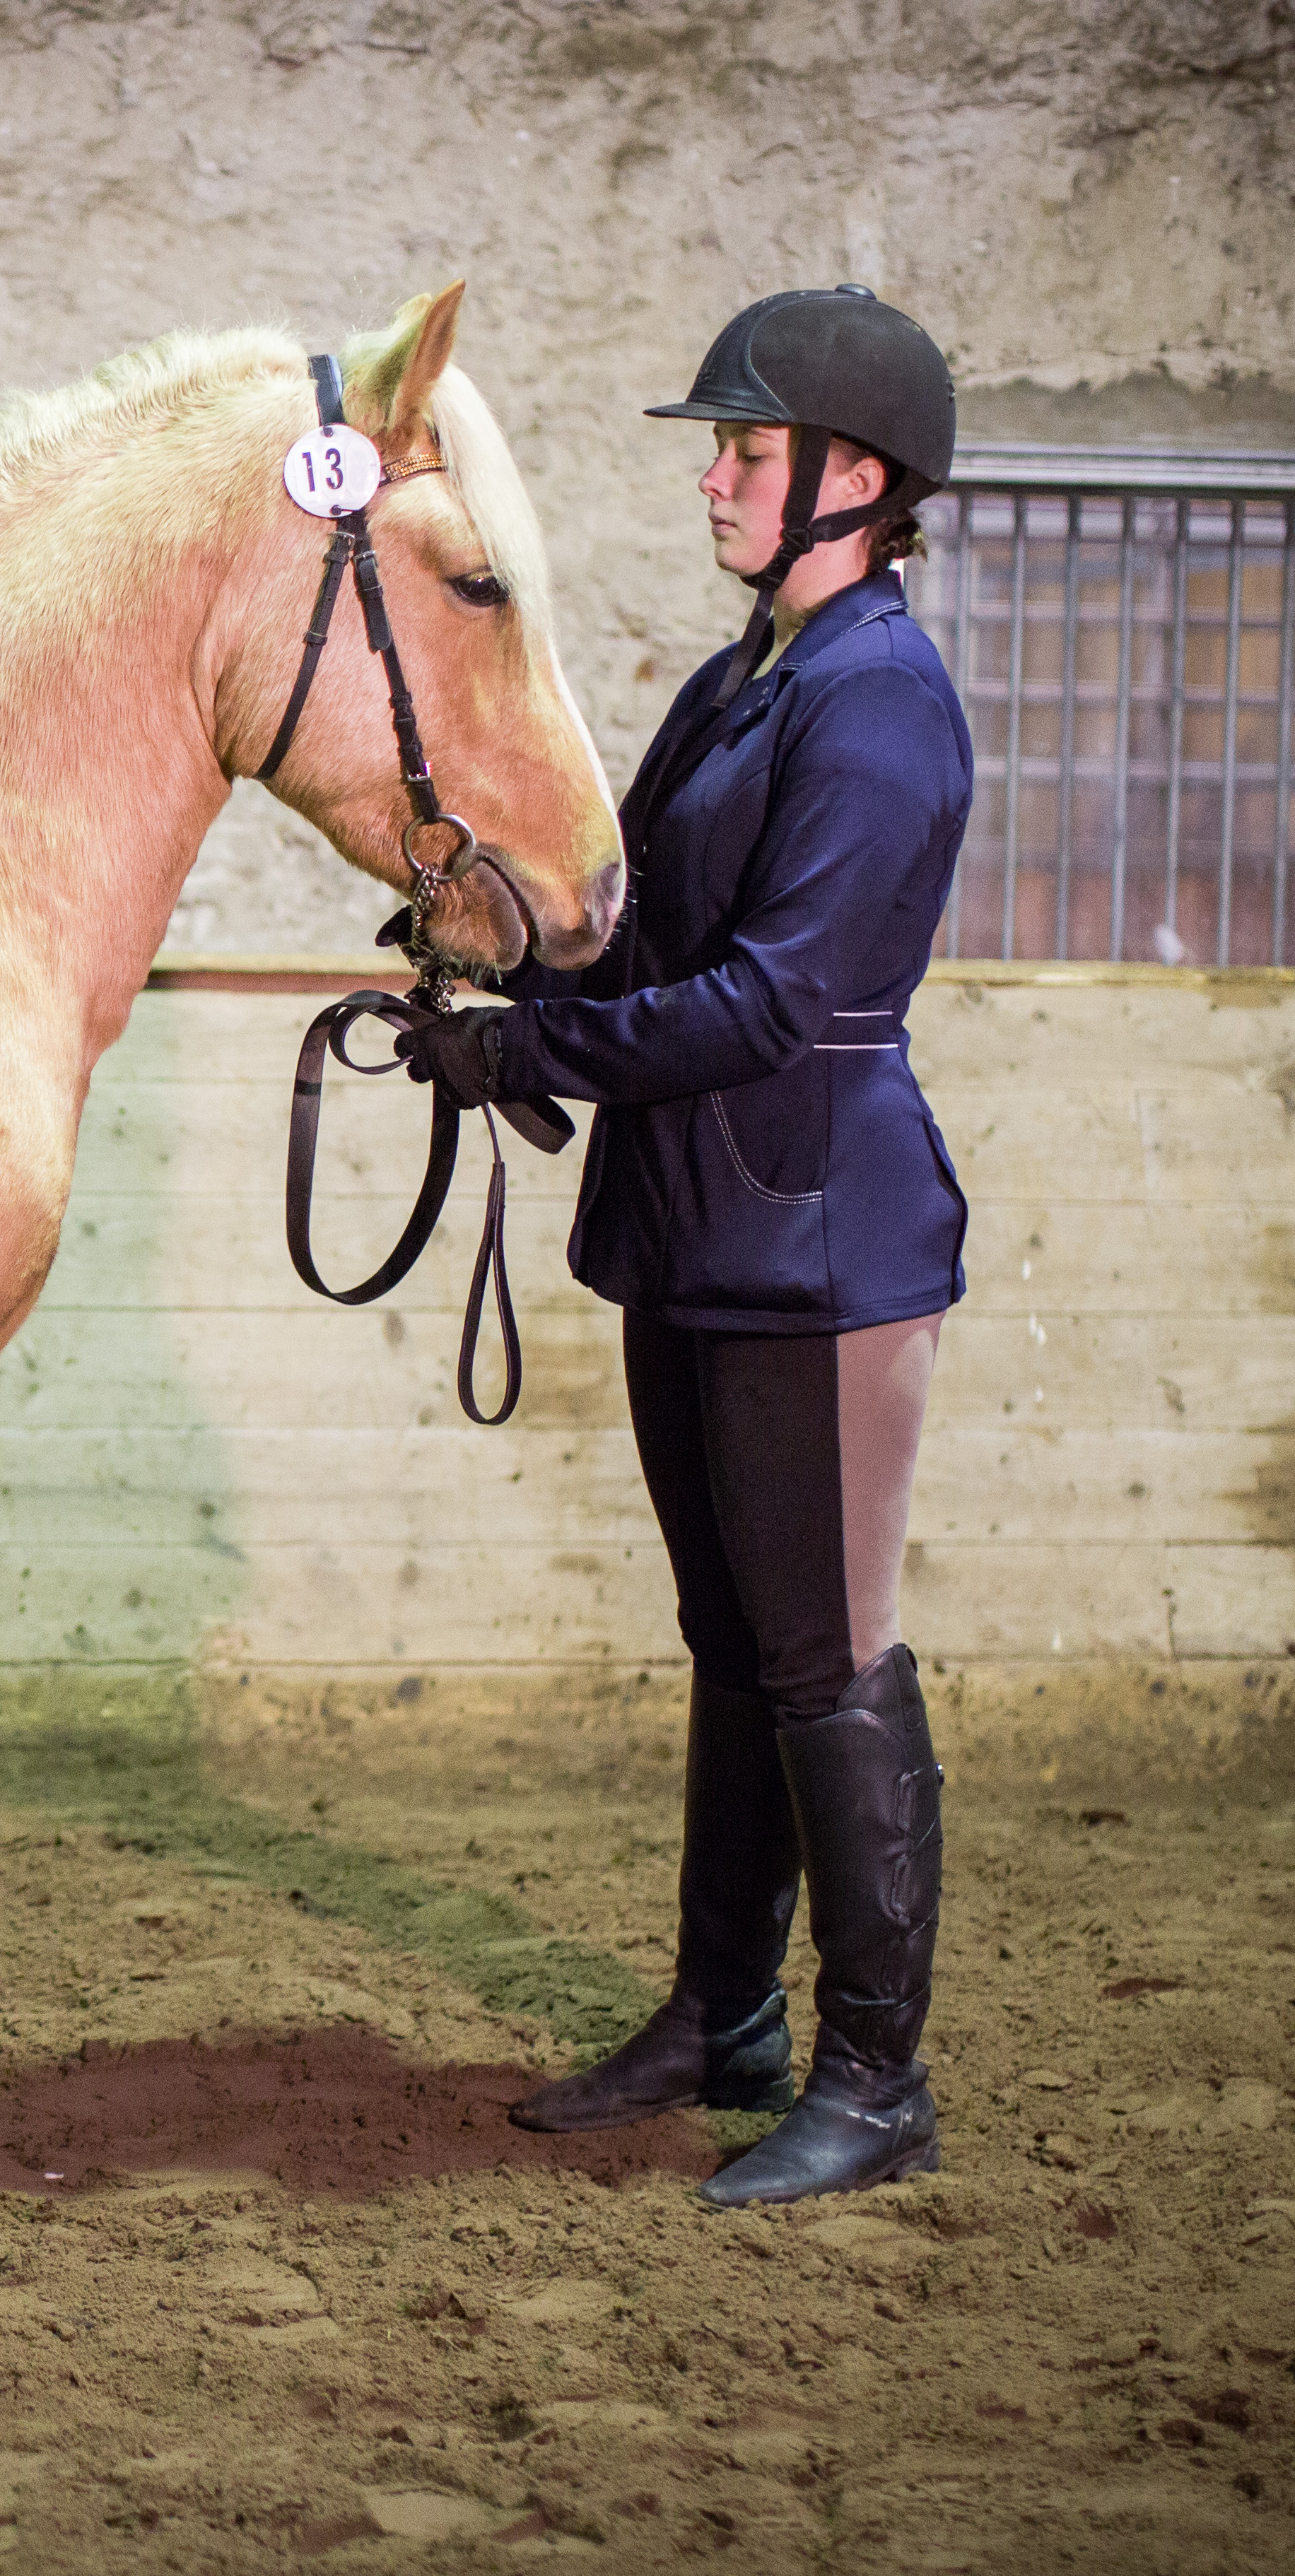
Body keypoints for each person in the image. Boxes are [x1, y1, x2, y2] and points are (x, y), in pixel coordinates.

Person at [397, 286, 973, 2206]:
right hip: (699, 1230)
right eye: (718, 445)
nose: (715, 474)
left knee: (825, 1654)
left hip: (821, 1248)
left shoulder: (881, 700)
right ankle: (723, 2013)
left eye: (748, 445)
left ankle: (874, 2076)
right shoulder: (751, 680)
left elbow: (779, 1005)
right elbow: (656, 940)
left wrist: (540, 1050)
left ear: (856, 480)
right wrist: (502, 958)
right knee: (734, 1645)